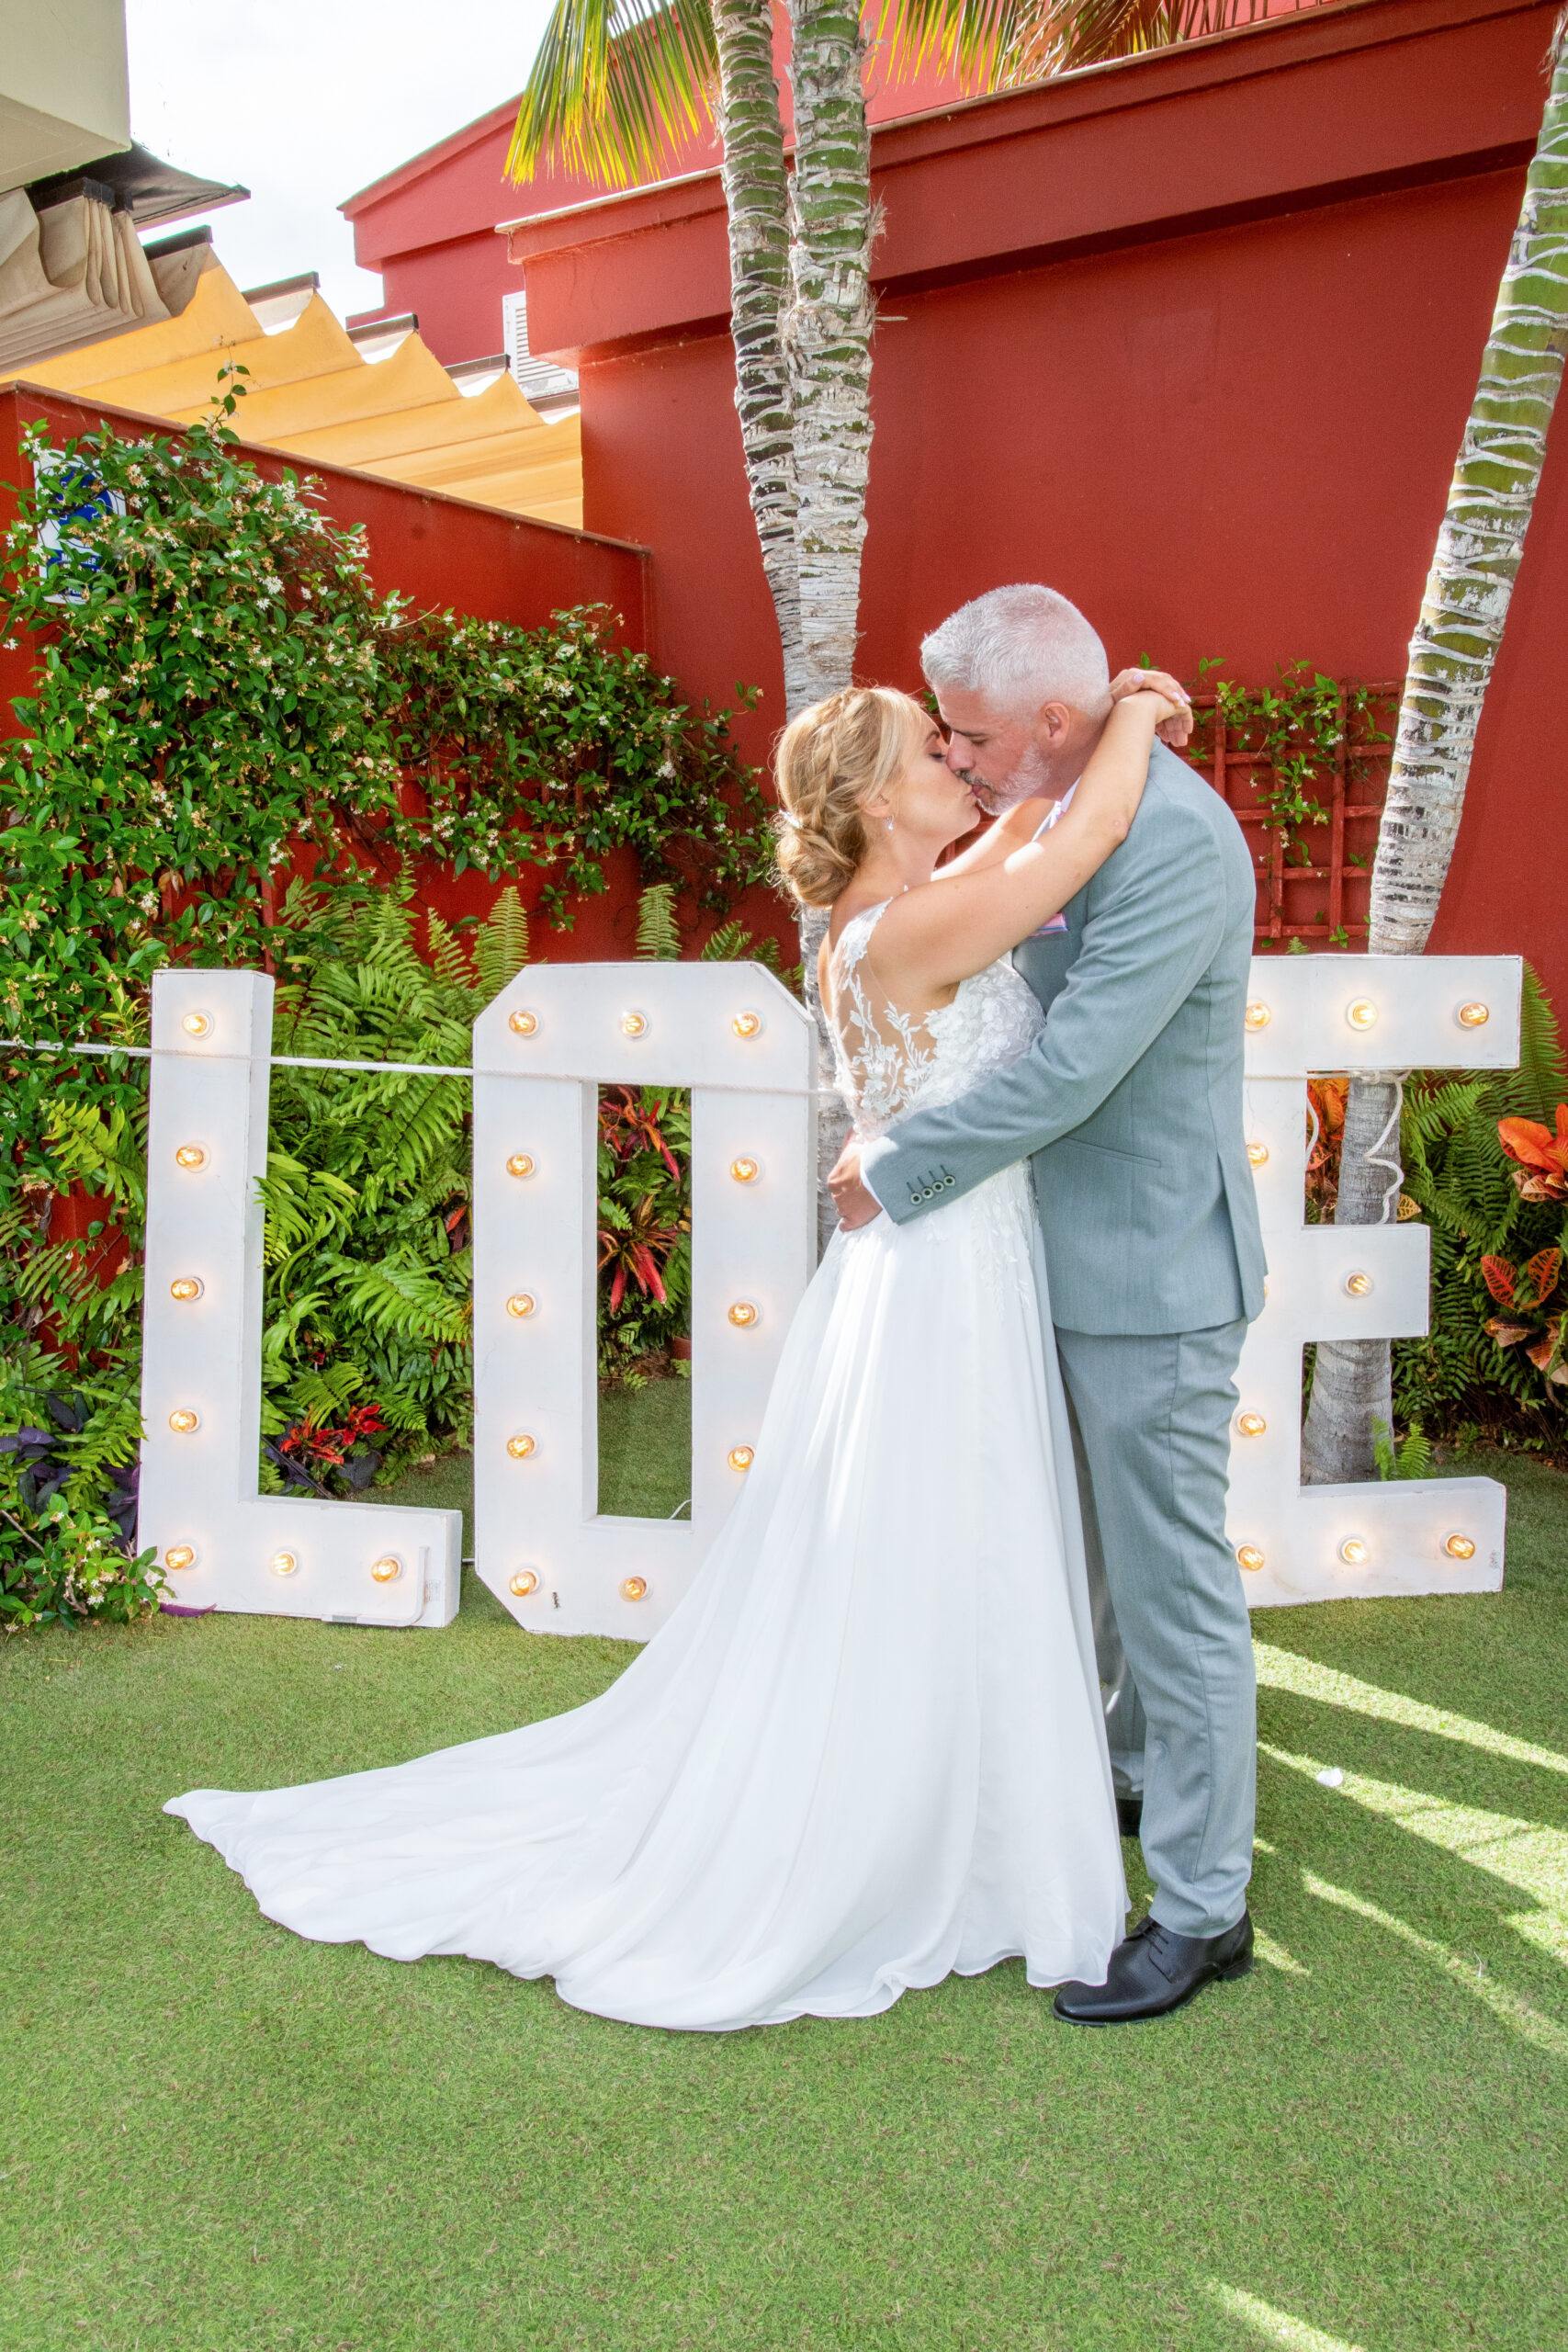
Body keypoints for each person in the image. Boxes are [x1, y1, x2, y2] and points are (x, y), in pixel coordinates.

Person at [164, 674, 1182, 2033]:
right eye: (930, 751)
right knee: (947, 1527)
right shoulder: (912, 924)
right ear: (879, 800)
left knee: (942, 1533)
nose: (958, 761)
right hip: (942, 1278)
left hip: (941, 1262)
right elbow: (1083, 834)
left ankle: (964, 1793)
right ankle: (923, 1821)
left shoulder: (898, 904)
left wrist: (1055, 764)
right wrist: (1136, 710)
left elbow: (1021, 840)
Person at [829, 584, 1267, 2026]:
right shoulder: (1058, 803)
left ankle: (1203, 1909)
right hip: (1033, 1261)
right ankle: (1134, 1776)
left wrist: (898, 1166)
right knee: (1094, 1569)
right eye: (942, 740)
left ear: (1056, 718)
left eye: (970, 734)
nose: (957, 756)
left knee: (1171, 1590)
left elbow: (1074, 1071)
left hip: (1147, 1270)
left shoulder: (1172, 840)